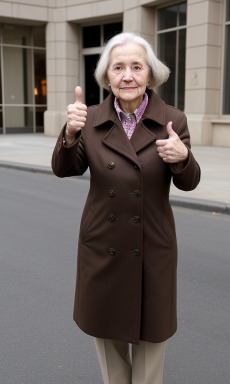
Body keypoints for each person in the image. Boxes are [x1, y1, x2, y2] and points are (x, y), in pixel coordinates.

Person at [52, 32, 200, 384]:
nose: (127, 75)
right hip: (103, 249)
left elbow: (189, 181)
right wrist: (70, 134)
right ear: (107, 77)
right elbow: (64, 168)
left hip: (153, 249)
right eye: (118, 67)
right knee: (111, 352)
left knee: (150, 352)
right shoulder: (88, 120)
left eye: (137, 66)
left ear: (150, 75)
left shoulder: (173, 120)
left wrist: (183, 158)